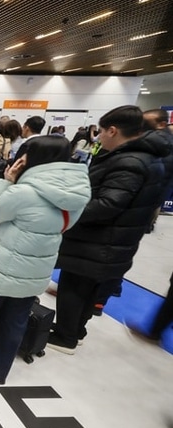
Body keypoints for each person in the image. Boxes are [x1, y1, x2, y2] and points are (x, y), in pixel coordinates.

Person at [0, 136, 91, 384]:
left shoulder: (24, 191)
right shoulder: (76, 195)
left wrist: (5, 182)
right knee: (15, 323)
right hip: (35, 272)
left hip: (0, 269)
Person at [49, 106, 169, 354]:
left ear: (113, 130)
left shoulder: (129, 161)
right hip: (115, 239)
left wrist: (69, 212)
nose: (99, 137)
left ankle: (65, 336)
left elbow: (108, 205)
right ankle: (75, 332)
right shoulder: (148, 158)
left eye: (101, 131)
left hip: (98, 239)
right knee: (89, 288)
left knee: (75, 285)